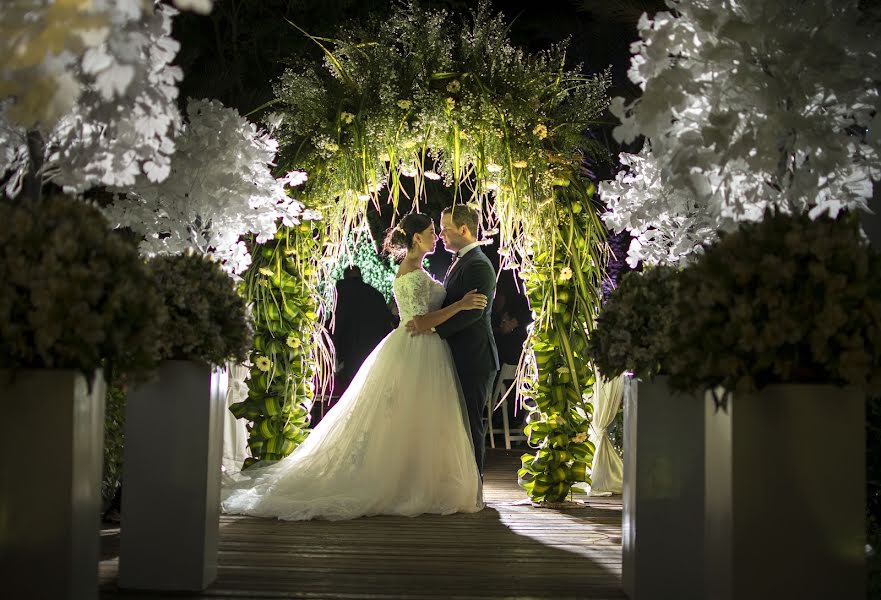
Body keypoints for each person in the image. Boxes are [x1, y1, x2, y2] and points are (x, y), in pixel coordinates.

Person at [221, 213, 486, 521]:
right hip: (418, 348)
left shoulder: (416, 269)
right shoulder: (412, 273)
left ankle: (415, 479)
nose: (436, 236)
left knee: (415, 419)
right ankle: (406, 484)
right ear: (416, 238)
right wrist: (460, 305)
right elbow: (418, 323)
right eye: (430, 232)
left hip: (424, 349)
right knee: (409, 417)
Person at [406, 204, 499, 476]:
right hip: (458, 354)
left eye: (445, 228)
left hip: (475, 356)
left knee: (470, 423)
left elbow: (472, 313)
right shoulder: (461, 260)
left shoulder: (479, 265)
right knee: (457, 423)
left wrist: (432, 329)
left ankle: (474, 483)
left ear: (464, 229)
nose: (441, 234)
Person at [332, 265, 394, 394]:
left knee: (350, 391)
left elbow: (337, 321)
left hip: (350, 350)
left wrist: (334, 349)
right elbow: (386, 323)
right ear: (360, 276)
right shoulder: (375, 294)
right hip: (372, 350)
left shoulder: (341, 292)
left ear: (345, 276)